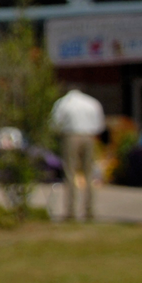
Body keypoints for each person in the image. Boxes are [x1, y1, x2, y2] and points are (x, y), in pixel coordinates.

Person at [50, 87, 104, 222]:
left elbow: (54, 123)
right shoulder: (91, 102)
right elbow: (99, 124)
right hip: (89, 136)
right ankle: (89, 210)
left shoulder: (63, 103)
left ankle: (71, 211)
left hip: (71, 136)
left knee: (70, 173)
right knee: (89, 173)